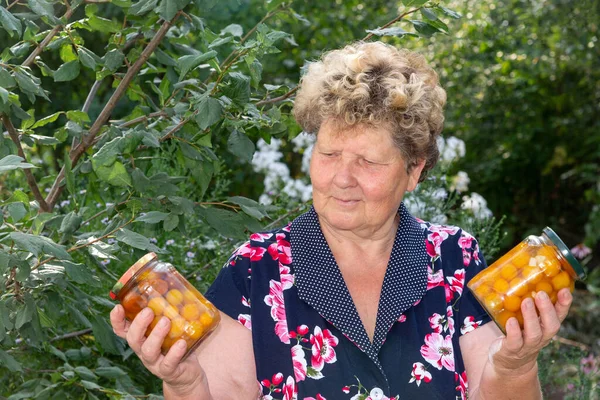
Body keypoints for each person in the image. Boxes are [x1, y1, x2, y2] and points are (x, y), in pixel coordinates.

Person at [110, 41, 573, 399]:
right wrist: (185, 383)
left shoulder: (454, 259)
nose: (342, 178)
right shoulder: (257, 269)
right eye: (328, 153)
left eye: (369, 162)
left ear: (414, 171)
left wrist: (514, 366)